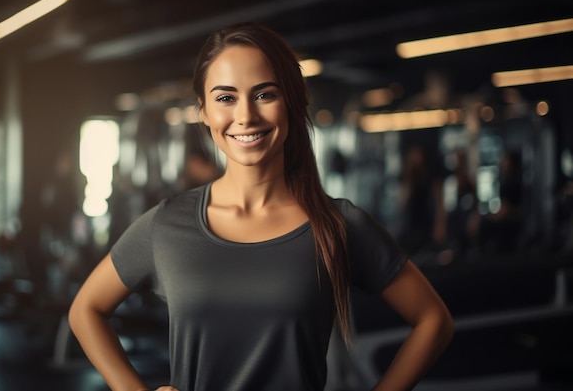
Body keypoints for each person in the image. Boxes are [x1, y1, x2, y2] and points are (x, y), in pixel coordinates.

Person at [68, 22, 454, 391]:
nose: (246, 115)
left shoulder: (339, 224)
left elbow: (433, 320)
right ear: (203, 110)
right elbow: (85, 310)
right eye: (225, 98)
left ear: (293, 101)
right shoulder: (167, 225)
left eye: (265, 94)